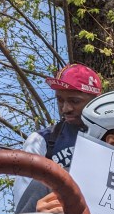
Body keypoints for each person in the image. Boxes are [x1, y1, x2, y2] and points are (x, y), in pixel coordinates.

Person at [13, 63, 103, 206]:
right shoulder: (41, 140)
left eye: (75, 101)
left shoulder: (112, 139)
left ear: (96, 101)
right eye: (60, 100)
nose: (65, 109)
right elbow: (23, 200)